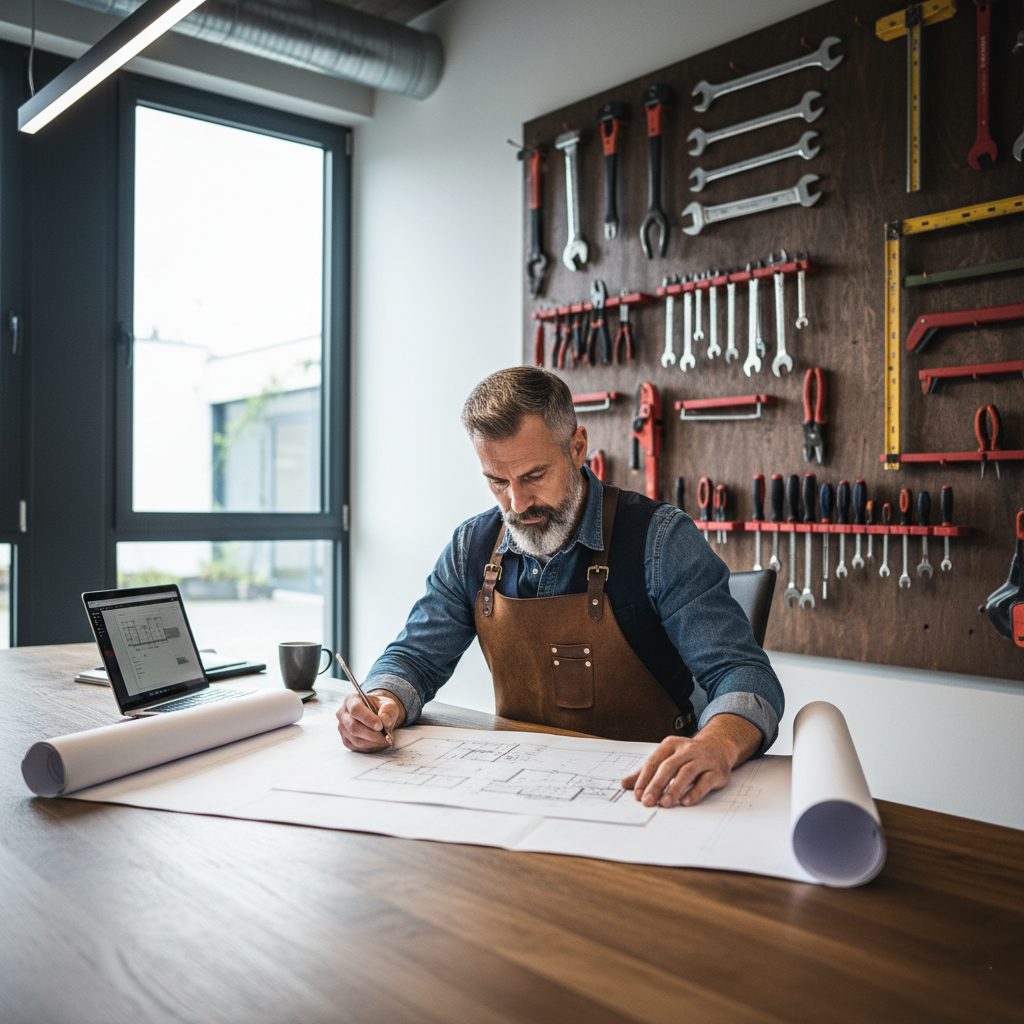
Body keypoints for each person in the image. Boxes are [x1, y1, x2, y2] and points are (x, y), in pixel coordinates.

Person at [337, 367, 784, 808]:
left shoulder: (660, 540)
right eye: (497, 481)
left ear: (577, 447)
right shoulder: (471, 547)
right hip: (523, 789)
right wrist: (381, 701)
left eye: (534, 476)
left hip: (647, 792)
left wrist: (716, 744)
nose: (517, 503)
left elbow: (744, 675)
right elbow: (414, 657)